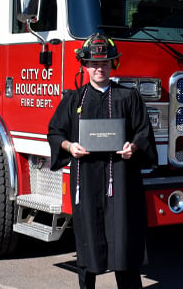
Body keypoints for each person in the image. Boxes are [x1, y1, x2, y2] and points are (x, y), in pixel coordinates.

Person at [48, 33, 156, 289]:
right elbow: (55, 132)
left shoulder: (128, 97)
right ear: (85, 66)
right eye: (94, 64)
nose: (100, 68)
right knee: (88, 239)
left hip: (121, 180)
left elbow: (143, 131)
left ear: (113, 65)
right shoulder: (74, 99)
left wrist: (134, 146)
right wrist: (69, 146)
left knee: (124, 241)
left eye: (105, 63)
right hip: (85, 182)